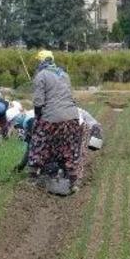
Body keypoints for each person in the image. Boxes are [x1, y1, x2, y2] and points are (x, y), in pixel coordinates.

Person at [28, 50, 84, 190]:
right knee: (69, 147)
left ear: (41, 62)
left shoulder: (41, 75)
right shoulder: (64, 74)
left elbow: (38, 102)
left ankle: (33, 177)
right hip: (72, 116)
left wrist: (38, 119)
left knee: (39, 143)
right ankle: (72, 180)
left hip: (52, 116)